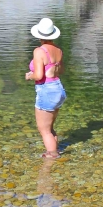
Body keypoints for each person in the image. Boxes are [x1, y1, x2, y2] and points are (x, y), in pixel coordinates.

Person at [26, 18, 66, 158]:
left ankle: (52, 156)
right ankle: (56, 150)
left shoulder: (39, 51)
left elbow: (38, 75)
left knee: (44, 130)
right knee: (49, 127)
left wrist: (29, 76)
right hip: (58, 89)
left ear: (39, 35)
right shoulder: (58, 50)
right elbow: (61, 71)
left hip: (46, 91)